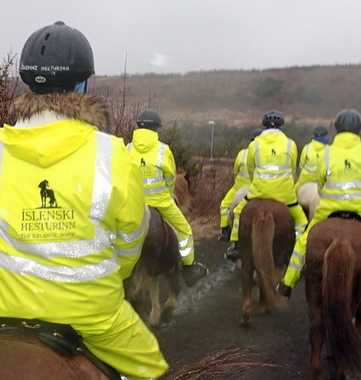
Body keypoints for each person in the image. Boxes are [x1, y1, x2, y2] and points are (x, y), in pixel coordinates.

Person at [0, 21, 168, 380]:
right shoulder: (112, 156)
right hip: (89, 311)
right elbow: (132, 239)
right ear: (83, 86)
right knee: (151, 374)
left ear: (28, 85)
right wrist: (108, 277)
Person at [277, 109, 361, 312]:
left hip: (329, 210)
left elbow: (320, 184)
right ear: (359, 129)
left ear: (336, 128)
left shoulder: (326, 153)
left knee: (304, 241)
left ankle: (287, 284)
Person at [127, 109, 208, 287]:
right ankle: (189, 268)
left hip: (133, 203)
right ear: (156, 128)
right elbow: (171, 177)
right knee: (185, 230)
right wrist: (165, 192)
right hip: (160, 202)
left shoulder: (128, 148)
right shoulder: (163, 150)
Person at [226, 111, 308, 260]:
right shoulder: (291, 144)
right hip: (285, 195)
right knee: (301, 220)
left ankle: (236, 246)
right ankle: (296, 247)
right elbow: (292, 169)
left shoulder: (254, 144)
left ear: (263, 126)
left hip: (258, 192)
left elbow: (251, 170)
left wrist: (258, 183)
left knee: (238, 211)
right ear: (281, 126)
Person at [217, 128, 260, 240]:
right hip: (257, 188)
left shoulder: (242, 153)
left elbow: (235, 171)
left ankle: (225, 231)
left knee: (225, 205)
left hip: (239, 187)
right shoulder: (262, 154)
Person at [295, 124, 329, 191]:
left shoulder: (307, 148)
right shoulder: (329, 149)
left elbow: (301, 165)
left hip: (305, 180)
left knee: (294, 193)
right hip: (321, 182)